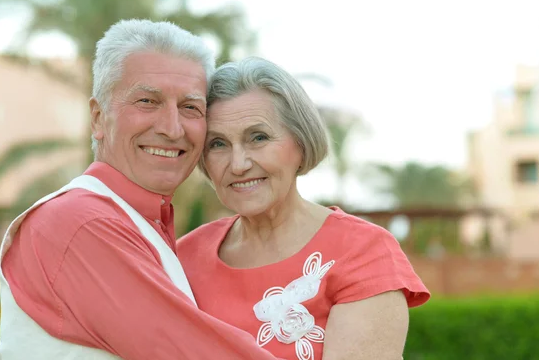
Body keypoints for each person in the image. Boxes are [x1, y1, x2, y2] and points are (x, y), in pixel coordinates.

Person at [0, 20, 285, 360]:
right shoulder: (80, 222)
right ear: (98, 118)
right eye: (148, 101)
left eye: (190, 107)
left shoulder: (140, 223)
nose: (172, 128)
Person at [178, 57, 431, 360]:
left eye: (258, 138)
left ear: (300, 142)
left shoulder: (363, 251)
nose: (238, 164)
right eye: (217, 144)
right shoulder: (182, 258)